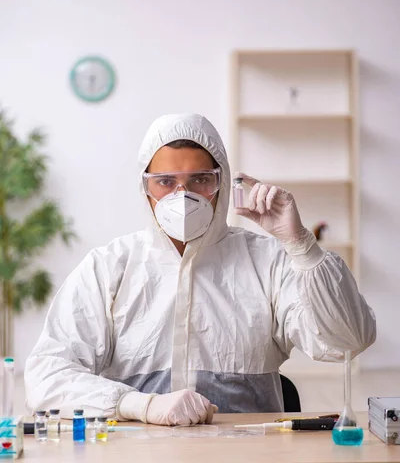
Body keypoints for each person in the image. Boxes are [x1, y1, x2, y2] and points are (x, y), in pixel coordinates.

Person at [25, 113, 376, 425]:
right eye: (166, 182)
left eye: (199, 180)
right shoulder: (110, 266)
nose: (183, 195)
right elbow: (47, 374)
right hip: (133, 460)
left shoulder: (267, 260)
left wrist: (301, 244)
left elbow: (344, 342)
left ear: (221, 183)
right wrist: (140, 404)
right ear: (145, 187)